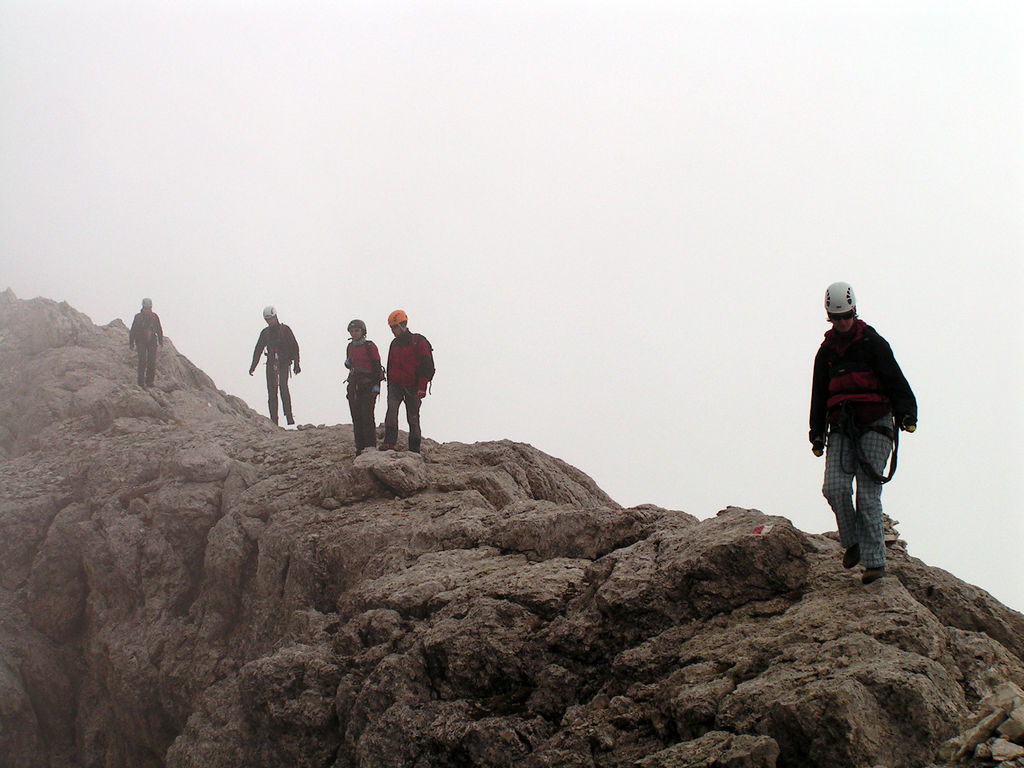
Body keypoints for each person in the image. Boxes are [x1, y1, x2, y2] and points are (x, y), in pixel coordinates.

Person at [809, 282, 917, 585]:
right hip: (842, 427)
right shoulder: (826, 354)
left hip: (876, 423)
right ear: (830, 317)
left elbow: (896, 380)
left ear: (854, 312)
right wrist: (816, 434)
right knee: (834, 487)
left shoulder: (872, 343)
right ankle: (853, 540)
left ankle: (874, 564)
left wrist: (908, 414)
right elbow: (818, 396)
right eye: (836, 318)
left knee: (868, 496)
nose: (842, 322)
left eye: (846, 317)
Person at [382, 310, 434, 452]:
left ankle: (414, 449)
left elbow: (427, 365)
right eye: (391, 328)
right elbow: (390, 365)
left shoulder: (418, 341)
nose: (393, 331)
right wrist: (390, 384)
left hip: (413, 386)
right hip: (396, 385)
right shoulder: (394, 343)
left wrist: (422, 386)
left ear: (403, 325)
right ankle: (389, 443)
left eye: (394, 327)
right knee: (391, 413)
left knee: (413, 418)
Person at [249, 305, 300, 425]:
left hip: (283, 363)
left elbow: (294, 347)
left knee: (283, 386)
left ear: (275, 317)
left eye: (270, 319)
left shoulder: (285, 330)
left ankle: (289, 416)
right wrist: (253, 366)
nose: (269, 322)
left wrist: (297, 364)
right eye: (267, 320)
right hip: (271, 363)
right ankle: (274, 420)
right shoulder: (265, 333)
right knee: (271, 391)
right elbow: (258, 349)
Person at [344, 319, 384, 455]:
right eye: (352, 331)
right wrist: (348, 363)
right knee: (356, 417)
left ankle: (370, 446)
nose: (354, 333)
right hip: (354, 385)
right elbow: (350, 365)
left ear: (363, 332)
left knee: (367, 416)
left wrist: (376, 387)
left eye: (357, 330)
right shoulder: (350, 347)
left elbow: (377, 368)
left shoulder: (370, 346)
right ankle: (360, 448)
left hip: (368, 385)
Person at [128, 297, 163, 388]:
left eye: (149, 308)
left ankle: (150, 382)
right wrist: (131, 342)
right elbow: (133, 330)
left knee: (152, 361)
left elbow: (159, 329)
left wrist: (160, 340)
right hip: (140, 341)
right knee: (142, 361)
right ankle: (141, 382)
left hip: (152, 341)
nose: (147, 310)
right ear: (143, 307)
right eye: (146, 308)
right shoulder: (138, 317)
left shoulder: (155, 317)